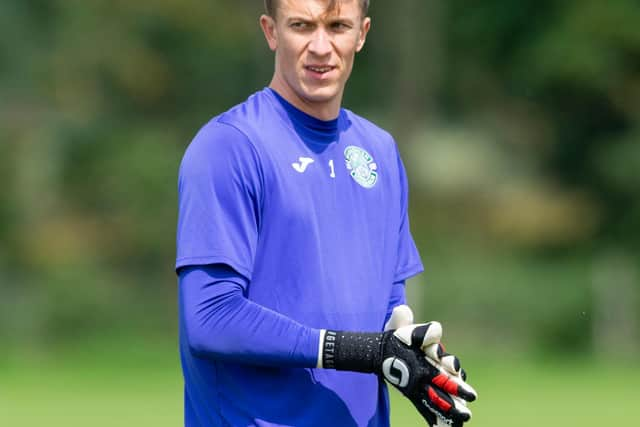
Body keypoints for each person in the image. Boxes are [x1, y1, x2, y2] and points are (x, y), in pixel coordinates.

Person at [175, 1, 477, 426]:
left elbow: (390, 313)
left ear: (362, 33)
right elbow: (210, 318)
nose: (321, 46)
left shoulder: (380, 152)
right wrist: (358, 351)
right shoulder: (229, 148)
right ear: (271, 31)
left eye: (337, 26)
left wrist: (417, 366)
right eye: (301, 26)